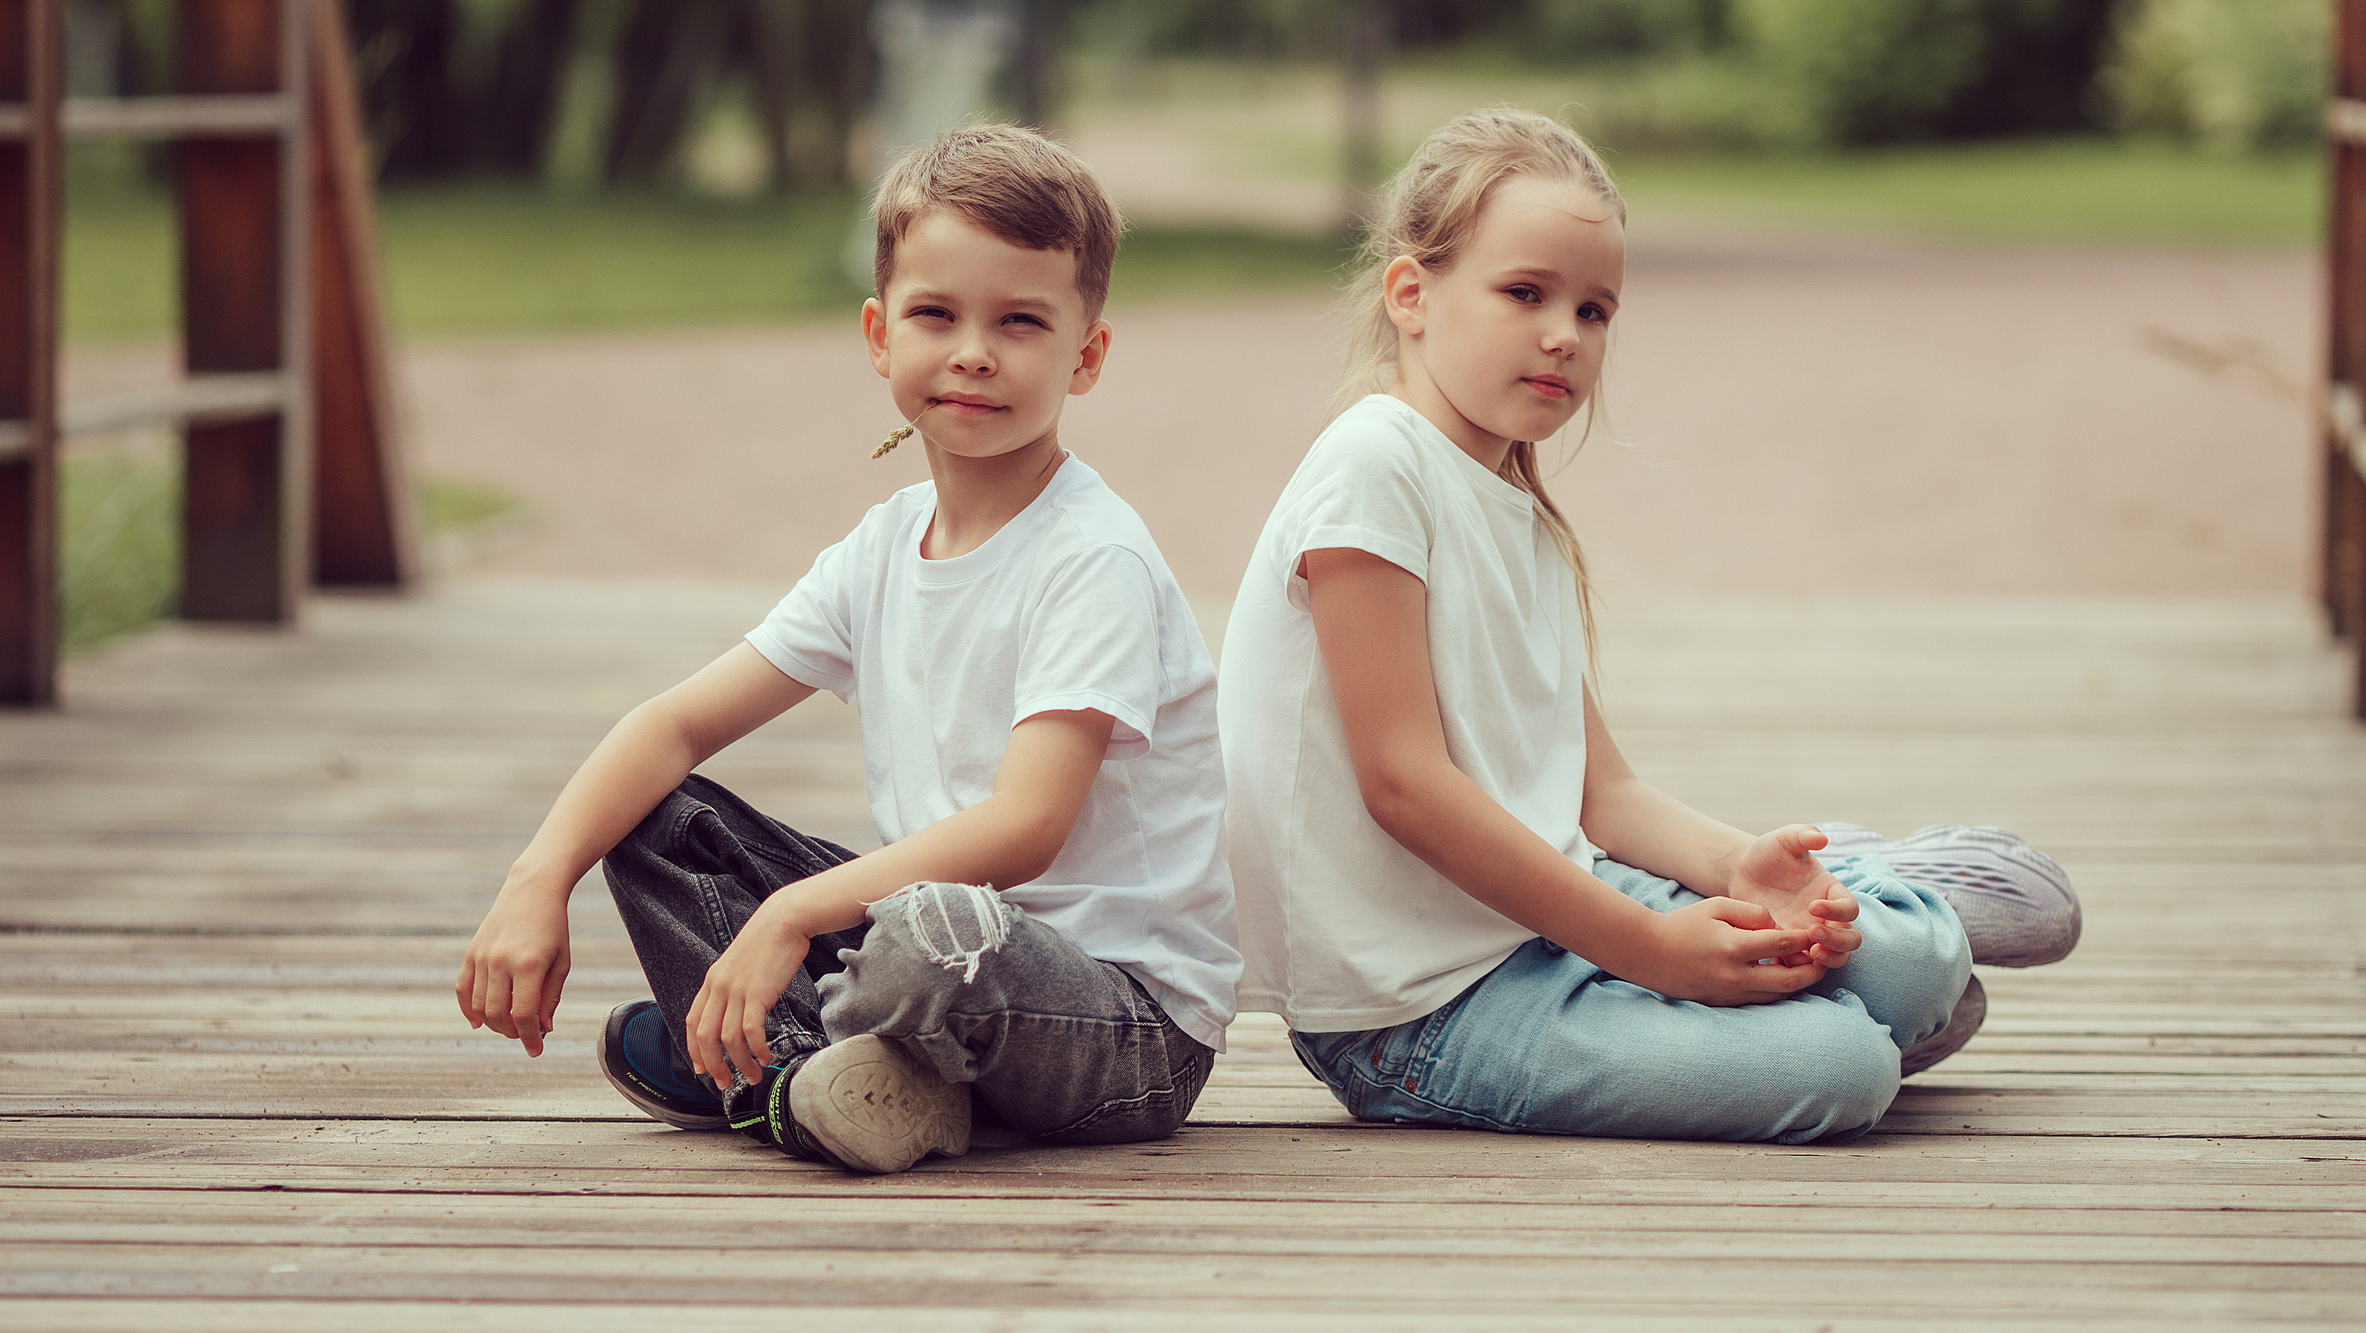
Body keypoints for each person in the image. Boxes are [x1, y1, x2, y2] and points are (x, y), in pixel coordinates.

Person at [1216, 108, 2079, 1144]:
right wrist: (1653, 950)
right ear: (1412, 294)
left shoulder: (1513, 500)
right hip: (1420, 1007)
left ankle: (1877, 916)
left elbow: (1601, 791)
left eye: (1594, 311)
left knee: (1917, 967)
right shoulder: (1373, 470)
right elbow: (1406, 788)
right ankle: (1879, 918)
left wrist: (1735, 870)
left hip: (1558, 907)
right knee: (1841, 1067)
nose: (1563, 336)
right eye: (1525, 293)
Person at [454, 124, 1241, 1174]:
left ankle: (773, 1067)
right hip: (931, 953)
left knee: (935, 932)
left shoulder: (1089, 556)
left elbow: (1025, 828)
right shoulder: (879, 548)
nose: (972, 351)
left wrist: (793, 913)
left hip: (1117, 1024)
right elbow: (672, 725)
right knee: (651, 813)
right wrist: (536, 878)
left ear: (1084, 355)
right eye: (935, 314)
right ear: (879, 335)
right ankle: (818, 1080)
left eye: (1019, 321)